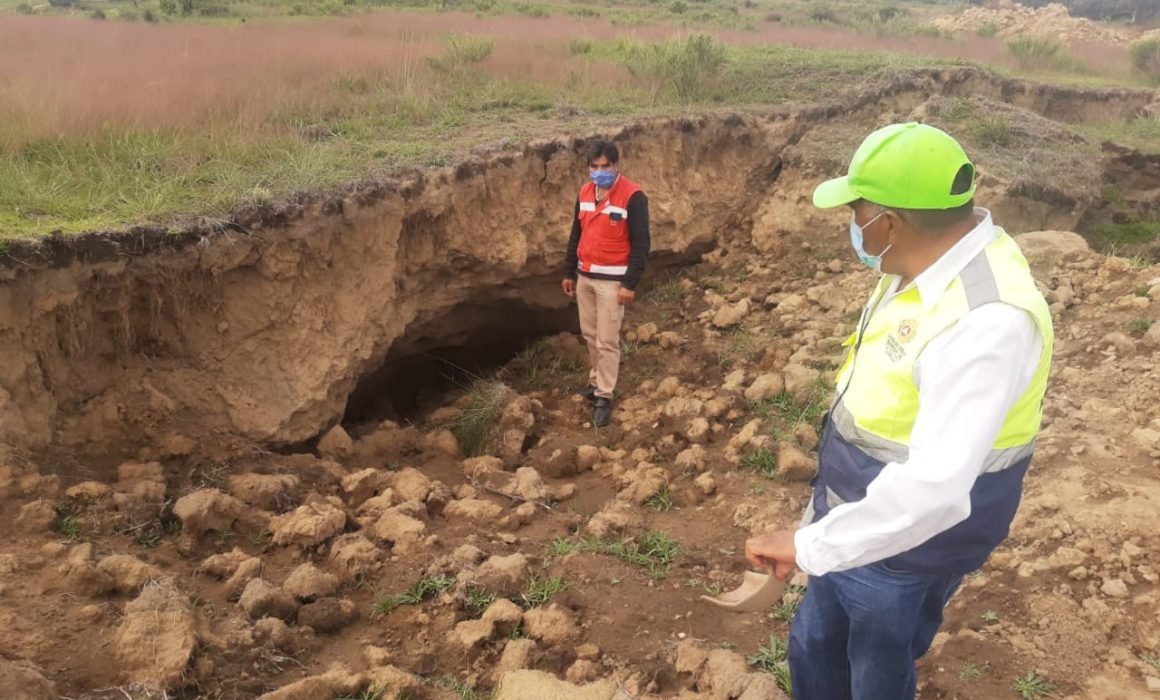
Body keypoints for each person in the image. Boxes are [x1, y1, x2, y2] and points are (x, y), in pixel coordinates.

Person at [744, 122, 1054, 700]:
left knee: (876, 671)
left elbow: (933, 491)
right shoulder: (925, 264)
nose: (853, 228)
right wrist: (823, 529)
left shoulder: (987, 323)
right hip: (852, 514)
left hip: (910, 549)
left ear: (887, 223)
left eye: (856, 212)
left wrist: (810, 546)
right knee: (814, 647)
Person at [562, 140, 650, 427]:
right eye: (594, 167)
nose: (599, 172)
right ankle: (595, 382)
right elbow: (576, 233)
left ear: (616, 166)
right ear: (589, 167)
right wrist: (568, 272)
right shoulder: (586, 192)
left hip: (612, 282)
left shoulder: (633, 197)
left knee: (607, 339)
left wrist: (629, 283)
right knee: (590, 335)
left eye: (605, 166)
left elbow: (641, 244)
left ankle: (605, 395)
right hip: (585, 277)